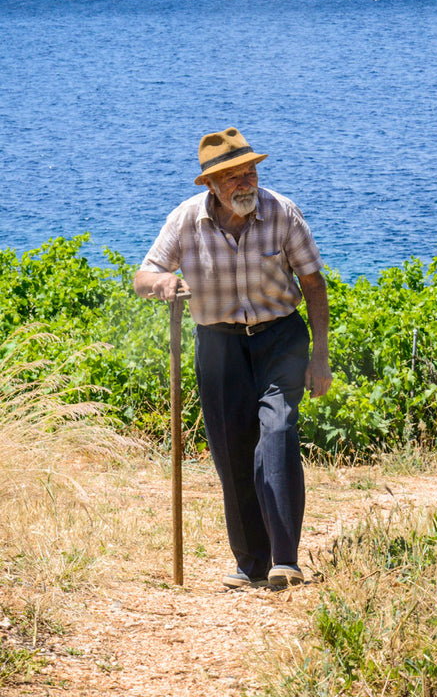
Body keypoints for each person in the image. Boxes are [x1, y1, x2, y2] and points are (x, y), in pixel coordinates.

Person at [134, 127, 332, 587]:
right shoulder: (185, 220)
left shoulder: (282, 213)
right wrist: (161, 284)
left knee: (278, 431)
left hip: (280, 336)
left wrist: (319, 354)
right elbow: (144, 274)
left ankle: (285, 559)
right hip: (218, 343)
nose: (247, 182)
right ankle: (250, 564)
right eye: (234, 176)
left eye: (251, 171)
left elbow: (314, 283)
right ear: (211, 185)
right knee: (230, 448)